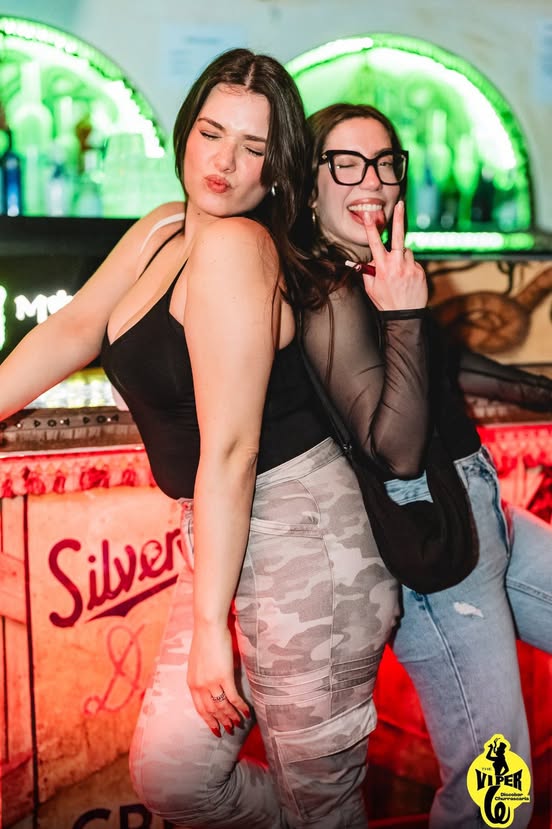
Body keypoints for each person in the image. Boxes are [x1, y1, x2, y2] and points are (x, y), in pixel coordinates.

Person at [0, 53, 432, 828]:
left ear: (279, 168)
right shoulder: (166, 227)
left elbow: (232, 451)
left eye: (253, 147)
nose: (224, 162)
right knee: (176, 775)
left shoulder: (238, 247)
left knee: (318, 798)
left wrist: (210, 629)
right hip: (224, 529)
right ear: (185, 132)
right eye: (211, 133)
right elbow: (75, 326)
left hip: (304, 543)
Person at [300, 102, 552, 829]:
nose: (372, 181)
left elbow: (447, 366)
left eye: (385, 163)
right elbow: (396, 450)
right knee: (495, 798)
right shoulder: (324, 292)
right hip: (438, 560)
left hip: (481, 517)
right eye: (347, 163)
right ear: (309, 184)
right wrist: (404, 314)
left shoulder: (375, 270)